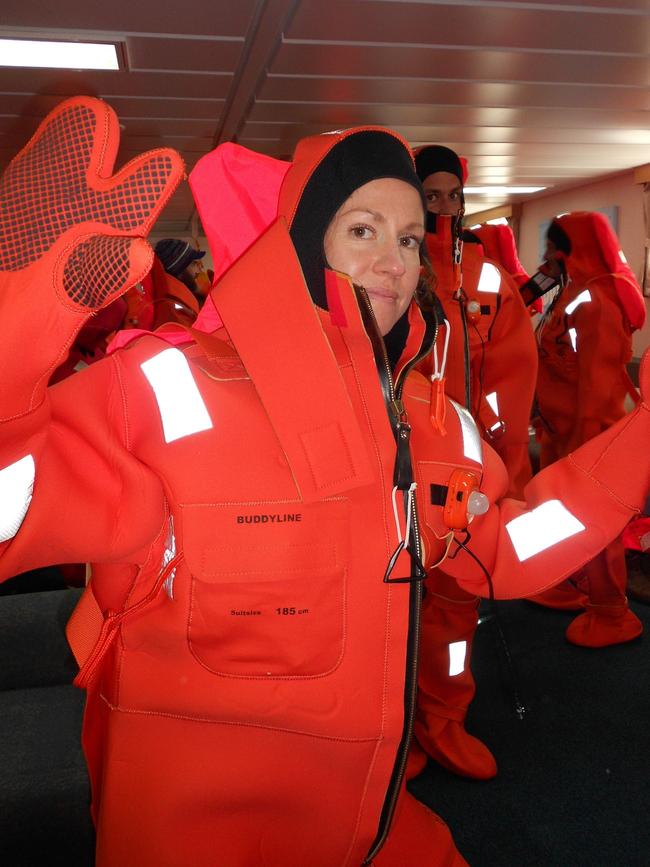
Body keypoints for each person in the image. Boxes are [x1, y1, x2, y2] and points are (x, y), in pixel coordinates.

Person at [1, 96, 649, 867]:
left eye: (409, 237)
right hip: (195, 826)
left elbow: (509, 545)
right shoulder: (162, 389)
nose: (398, 262)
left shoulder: (429, 420)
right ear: (303, 245)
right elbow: (18, 506)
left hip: (366, 816)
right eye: (363, 230)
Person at [409, 145, 539, 783]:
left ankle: (443, 719)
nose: (442, 207)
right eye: (429, 194)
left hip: (468, 475)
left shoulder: (486, 272)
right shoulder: (394, 263)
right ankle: (389, 724)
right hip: (402, 469)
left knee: (456, 606)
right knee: (394, 603)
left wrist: (499, 449)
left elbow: (515, 366)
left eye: (451, 195)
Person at [530, 212, 646, 646]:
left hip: (594, 438)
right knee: (570, 519)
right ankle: (573, 583)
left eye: (551, 246)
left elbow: (599, 385)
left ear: (569, 251)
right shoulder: (573, 295)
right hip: (565, 431)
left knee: (599, 525)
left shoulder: (597, 301)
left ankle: (611, 611)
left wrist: (585, 450)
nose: (544, 256)